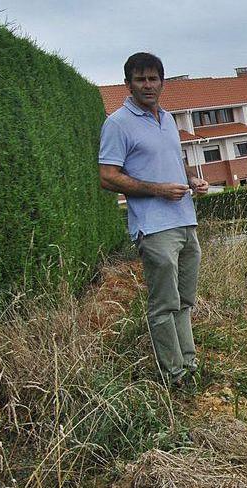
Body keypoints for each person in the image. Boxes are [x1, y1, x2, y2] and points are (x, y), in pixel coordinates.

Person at [98, 52, 209, 387]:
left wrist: (191, 179)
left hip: (185, 221)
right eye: (140, 79)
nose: (147, 85)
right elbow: (107, 176)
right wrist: (157, 190)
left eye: (153, 79)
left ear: (163, 82)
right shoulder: (117, 123)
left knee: (185, 300)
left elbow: (172, 159)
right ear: (128, 84)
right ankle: (174, 375)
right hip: (154, 226)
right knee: (164, 305)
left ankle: (188, 366)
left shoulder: (168, 118)